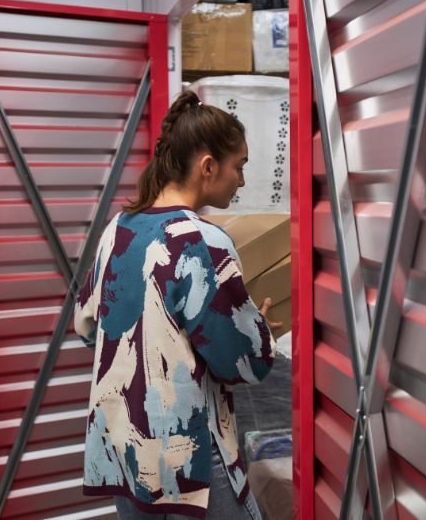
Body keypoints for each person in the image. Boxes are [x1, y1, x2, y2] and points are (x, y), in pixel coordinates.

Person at [74, 90, 282, 520]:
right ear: (208, 167)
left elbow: (88, 327)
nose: (241, 180)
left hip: (123, 447)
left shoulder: (118, 229)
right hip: (187, 455)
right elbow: (243, 362)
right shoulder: (202, 241)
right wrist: (258, 328)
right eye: (239, 167)